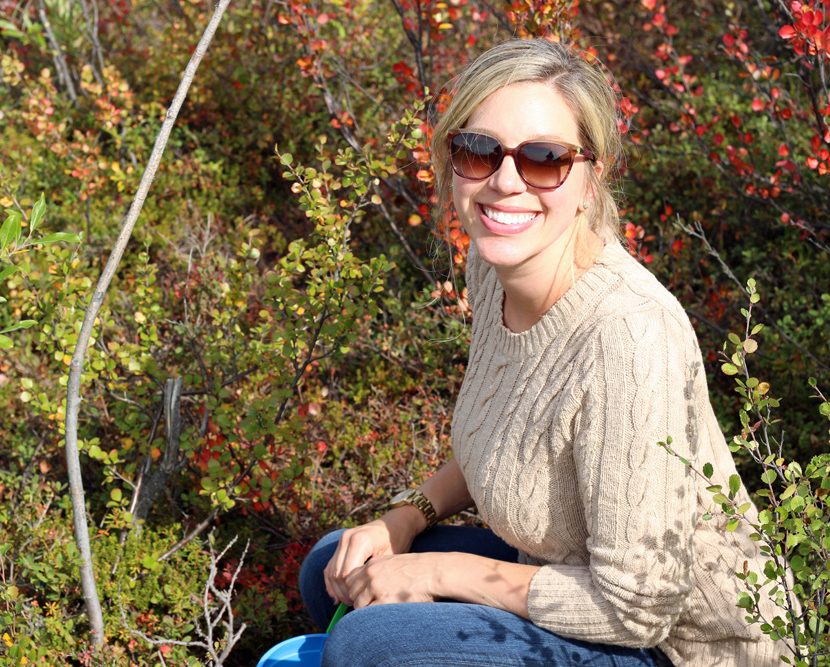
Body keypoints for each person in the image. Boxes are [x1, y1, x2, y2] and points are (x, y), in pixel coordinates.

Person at [298, 38, 788, 667]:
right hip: (563, 574)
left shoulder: (629, 337)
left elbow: (639, 604)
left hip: (675, 645)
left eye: (545, 160)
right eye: (478, 151)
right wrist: (404, 519)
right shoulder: (493, 265)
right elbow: (507, 436)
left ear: (591, 177)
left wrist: (440, 572)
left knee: (366, 643)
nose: (505, 183)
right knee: (332, 566)